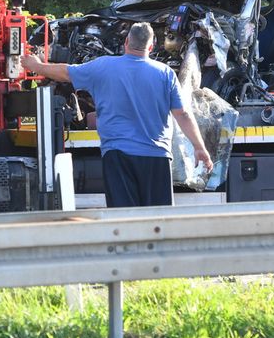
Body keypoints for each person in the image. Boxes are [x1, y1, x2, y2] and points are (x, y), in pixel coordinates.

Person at [22, 22, 214, 208]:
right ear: (151, 45)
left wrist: (36, 65)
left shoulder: (102, 67)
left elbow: (65, 72)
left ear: (126, 43)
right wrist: (199, 147)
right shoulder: (165, 74)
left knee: (124, 218)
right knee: (158, 219)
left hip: (118, 155)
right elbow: (183, 115)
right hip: (157, 157)